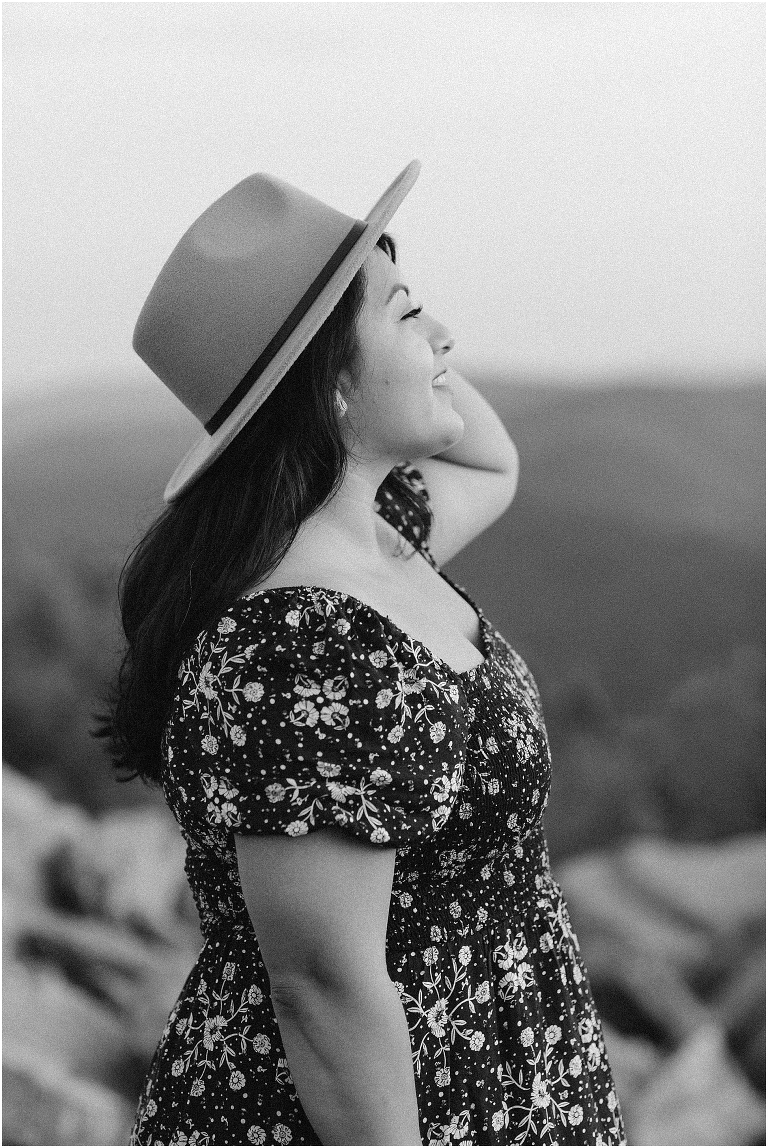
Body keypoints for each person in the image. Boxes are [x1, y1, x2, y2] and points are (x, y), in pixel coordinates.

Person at [103, 161, 626, 1146]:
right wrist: (334, 318)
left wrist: (369, 289)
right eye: (411, 315)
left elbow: (490, 456)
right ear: (332, 384)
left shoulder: (387, 537)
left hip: (493, 1080)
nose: (445, 336)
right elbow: (322, 989)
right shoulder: (300, 645)